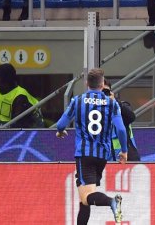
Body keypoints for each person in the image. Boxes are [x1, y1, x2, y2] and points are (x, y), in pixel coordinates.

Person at [55, 68, 128, 225]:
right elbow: (121, 129)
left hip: (85, 154)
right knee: (84, 199)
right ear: (102, 85)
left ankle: (112, 202)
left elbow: (61, 124)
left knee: (86, 197)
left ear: (86, 83)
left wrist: (60, 131)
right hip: (102, 155)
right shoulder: (112, 103)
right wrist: (124, 151)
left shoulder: (78, 101)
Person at [0, 63, 44, 128]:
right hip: (1, 131)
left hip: (28, 131)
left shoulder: (20, 96)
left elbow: (17, 126)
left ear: (5, 80)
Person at [105, 80, 141, 162]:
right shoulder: (93, 110)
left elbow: (131, 117)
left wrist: (115, 102)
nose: (104, 95)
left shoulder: (121, 105)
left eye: (106, 91)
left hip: (126, 157)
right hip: (105, 159)